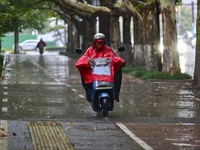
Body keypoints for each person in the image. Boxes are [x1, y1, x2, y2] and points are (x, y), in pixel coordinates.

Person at [75, 33, 125, 103]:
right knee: (83, 71)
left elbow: (114, 58)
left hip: (107, 74)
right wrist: (86, 62)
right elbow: (84, 58)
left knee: (119, 70)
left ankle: (115, 94)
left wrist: (119, 61)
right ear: (95, 42)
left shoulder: (108, 50)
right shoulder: (90, 50)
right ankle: (89, 93)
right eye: (98, 42)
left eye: (101, 42)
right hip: (93, 74)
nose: (99, 44)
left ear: (104, 42)